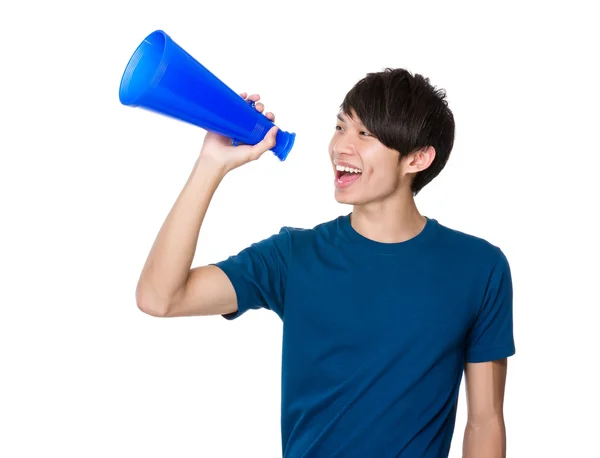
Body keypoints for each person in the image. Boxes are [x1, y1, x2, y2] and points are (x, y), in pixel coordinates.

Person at [135, 68, 515, 457]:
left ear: (417, 158)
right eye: (340, 126)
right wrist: (210, 163)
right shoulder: (291, 257)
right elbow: (160, 297)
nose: (340, 147)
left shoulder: (479, 267)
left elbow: (485, 421)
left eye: (365, 134)